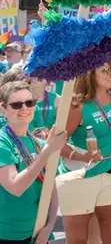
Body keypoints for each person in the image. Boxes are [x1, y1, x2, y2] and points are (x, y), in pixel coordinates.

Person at [56, 63, 111, 244]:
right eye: (104, 71)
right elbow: (55, 143)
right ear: (89, 75)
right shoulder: (77, 105)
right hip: (80, 176)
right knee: (78, 239)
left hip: (110, 171)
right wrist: (81, 157)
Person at [0, 81, 66, 244]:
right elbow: (16, 187)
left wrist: (48, 228)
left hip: (38, 234)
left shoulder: (40, 144)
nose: (24, 108)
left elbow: (52, 190)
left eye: (29, 103)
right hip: (8, 235)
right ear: (3, 110)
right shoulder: (3, 142)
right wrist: (47, 151)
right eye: (16, 104)